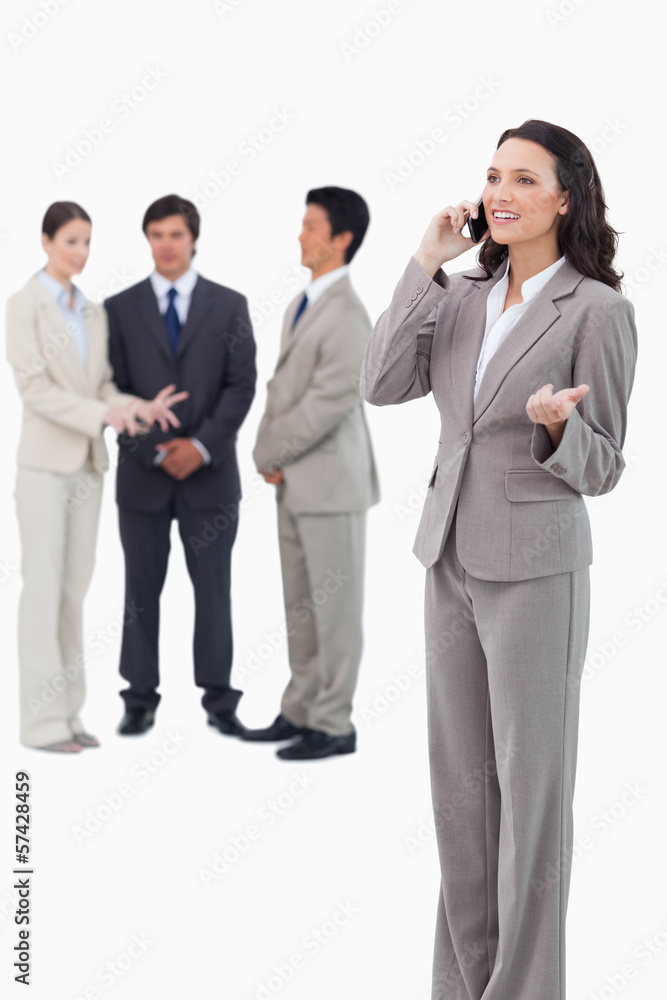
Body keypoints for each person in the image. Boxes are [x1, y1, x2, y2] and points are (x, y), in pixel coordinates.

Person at [360, 120, 637, 999]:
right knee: (461, 800)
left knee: (531, 798)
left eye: (523, 177)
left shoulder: (596, 309)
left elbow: (606, 466)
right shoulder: (464, 292)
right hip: (447, 556)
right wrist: (424, 261)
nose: (500, 193)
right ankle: (463, 985)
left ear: (565, 197)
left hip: (535, 569)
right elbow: (379, 382)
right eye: (491, 176)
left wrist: (560, 428)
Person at [5, 200, 187, 753]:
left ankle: (68, 714)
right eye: (70, 243)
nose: (80, 253)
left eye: (86, 242)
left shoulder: (91, 311)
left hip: (88, 466)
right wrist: (101, 415)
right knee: (42, 590)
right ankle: (40, 724)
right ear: (45, 242)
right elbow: (34, 389)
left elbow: (102, 387)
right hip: (43, 466)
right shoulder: (24, 304)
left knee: (73, 590)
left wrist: (135, 408)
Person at [105, 194, 256, 737]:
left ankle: (219, 698)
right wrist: (152, 449)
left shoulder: (230, 305)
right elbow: (113, 388)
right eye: (156, 234)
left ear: (193, 239)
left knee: (213, 588)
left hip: (210, 478)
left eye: (175, 234)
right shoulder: (118, 309)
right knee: (139, 590)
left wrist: (201, 447)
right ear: (147, 240)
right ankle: (139, 696)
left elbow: (241, 387)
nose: (165, 245)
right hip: (141, 476)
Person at [246, 186, 379, 760]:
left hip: (331, 486)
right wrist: (273, 456)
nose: (300, 235)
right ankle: (300, 709)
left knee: (335, 610)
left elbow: (327, 404)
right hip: (297, 483)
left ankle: (333, 723)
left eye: (310, 225)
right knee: (299, 605)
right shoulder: (301, 304)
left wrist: (268, 453)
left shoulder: (349, 314)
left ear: (341, 238)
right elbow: (282, 394)